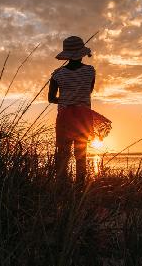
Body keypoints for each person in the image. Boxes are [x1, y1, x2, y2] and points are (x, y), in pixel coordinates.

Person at [48, 35, 95, 187]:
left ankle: (61, 187)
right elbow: (89, 91)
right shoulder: (90, 71)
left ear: (66, 55)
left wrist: (65, 101)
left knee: (63, 155)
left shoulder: (57, 74)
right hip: (83, 117)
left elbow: (51, 98)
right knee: (81, 155)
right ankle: (80, 187)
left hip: (65, 118)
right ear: (82, 54)